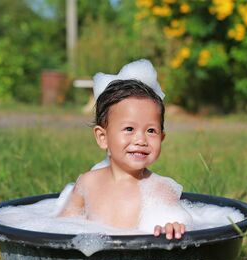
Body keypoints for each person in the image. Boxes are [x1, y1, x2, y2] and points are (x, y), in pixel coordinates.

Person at [58, 59, 191, 239]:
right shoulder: (87, 183)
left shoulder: (161, 190)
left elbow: (177, 225)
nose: (141, 139)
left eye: (151, 131)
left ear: (162, 138)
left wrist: (172, 227)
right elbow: (59, 228)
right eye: (129, 129)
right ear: (102, 137)